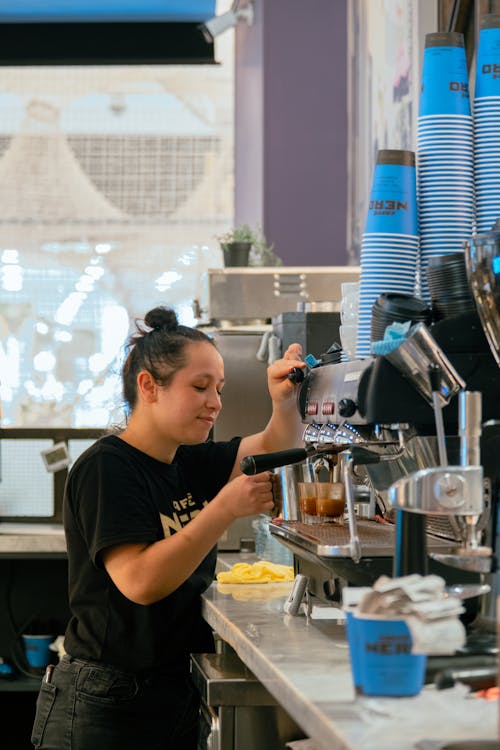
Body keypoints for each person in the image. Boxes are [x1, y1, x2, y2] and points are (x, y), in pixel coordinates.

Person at [31, 305, 306, 750]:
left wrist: (285, 400)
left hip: (170, 691)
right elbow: (140, 581)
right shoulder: (107, 467)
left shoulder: (186, 460)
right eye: (200, 387)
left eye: (218, 388)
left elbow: (276, 444)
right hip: (105, 700)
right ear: (148, 386)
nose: (215, 402)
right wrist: (222, 509)